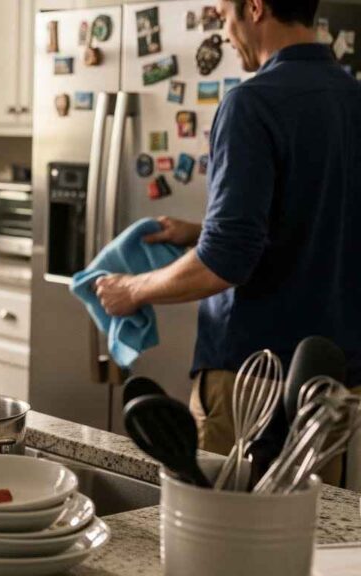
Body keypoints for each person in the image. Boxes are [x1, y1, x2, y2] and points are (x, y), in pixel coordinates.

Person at [93, 0, 361, 466]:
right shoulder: (353, 98)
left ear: (254, 7)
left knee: (221, 529)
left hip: (253, 380)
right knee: (313, 530)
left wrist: (131, 290)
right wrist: (201, 231)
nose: (225, 32)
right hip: (334, 381)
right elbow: (325, 221)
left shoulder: (253, 101)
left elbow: (226, 261)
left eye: (224, 16)